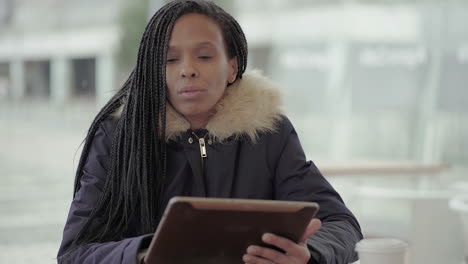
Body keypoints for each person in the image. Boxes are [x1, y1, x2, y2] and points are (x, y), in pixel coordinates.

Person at [57, 0, 363, 263]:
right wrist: (146, 253)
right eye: (169, 59)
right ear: (153, 71)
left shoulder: (270, 132)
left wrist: (309, 253)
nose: (188, 69)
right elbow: (76, 253)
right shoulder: (117, 138)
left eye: (204, 56)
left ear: (232, 68)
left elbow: (340, 223)